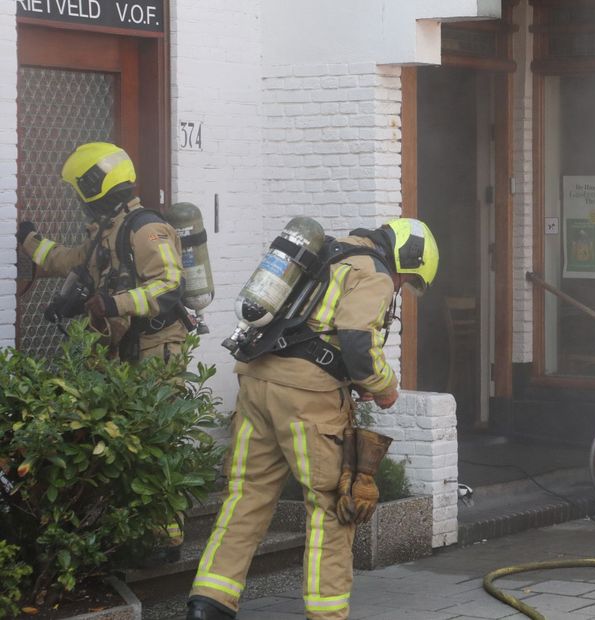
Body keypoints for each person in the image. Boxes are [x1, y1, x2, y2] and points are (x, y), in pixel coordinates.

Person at [185, 218, 440, 620]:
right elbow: (357, 341)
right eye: (404, 280)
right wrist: (385, 385)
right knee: (331, 505)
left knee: (246, 494)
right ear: (405, 258)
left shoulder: (329, 252)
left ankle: (209, 602)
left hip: (255, 382)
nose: (398, 288)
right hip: (308, 400)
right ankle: (327, 614)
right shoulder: (372, 272)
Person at [16, 141, 189, 562]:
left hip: (156, 345)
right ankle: (133, 530)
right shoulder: (108, 230)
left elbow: (169, 286)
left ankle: (167, 539)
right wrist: (28, 241)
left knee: (154, 436)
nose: (77, 199)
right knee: (126, 436)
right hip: (125, 345)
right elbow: (73, 261)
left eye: (79, 189)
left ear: (94, 187)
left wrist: (115, 304)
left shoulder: (147, 229)